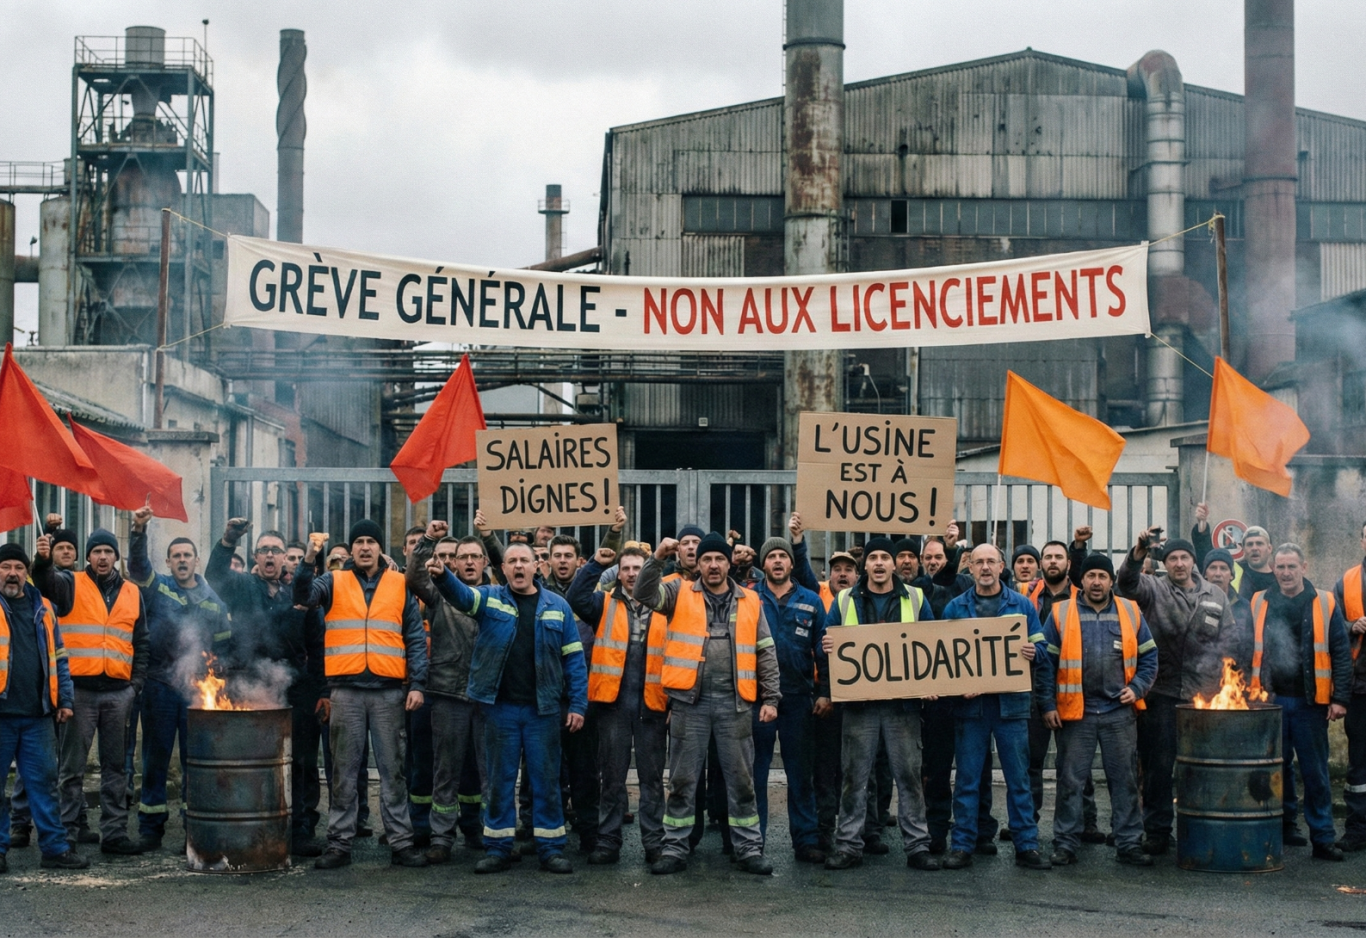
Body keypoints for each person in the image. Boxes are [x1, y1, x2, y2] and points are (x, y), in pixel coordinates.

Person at [430, 538, 587, 874]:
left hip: (543, 710)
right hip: (499, 709)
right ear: (502, 569)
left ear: (536, 567)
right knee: (500, 782)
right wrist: (443, 576)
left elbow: (574, 659)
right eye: (512, 562)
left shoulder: (558, 606)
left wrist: (578, 704)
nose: (518, 566)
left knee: (545, 781)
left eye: (524, 561)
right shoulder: (490, 599)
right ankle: (498, 848)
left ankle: (551, 849)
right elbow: (462, 597)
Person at [634, 532, 781, 875]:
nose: (713, 565)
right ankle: (675, 848)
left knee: (741, 781)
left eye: (719, 559)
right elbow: (643, 594)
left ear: (729, 563)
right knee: (682, 781)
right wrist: (656, 559)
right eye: (706, 559)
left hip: (735, 704)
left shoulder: (750, 600)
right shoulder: (677, 591)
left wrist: (772, 697)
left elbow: (765, 651)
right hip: (690, 704)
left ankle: (748, 848)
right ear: (697, 564)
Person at [294, 520, 430, 870]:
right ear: (351, 549)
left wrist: (417, 684)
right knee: (343, 773)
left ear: (380, 548)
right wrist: (309, 559)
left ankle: (401, 843)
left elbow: (415, 638)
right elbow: (302, 596)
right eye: (359, 542)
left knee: (393, 773)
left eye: (371, 541)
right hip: (346, 692)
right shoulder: (333, 580)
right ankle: (339, 844)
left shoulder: (400, 584)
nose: (365, 547)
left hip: (388, 693)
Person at [207, 519, 329, 856]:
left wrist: (323, 692)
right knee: (251, 760)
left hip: (296, 687)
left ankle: (300, 830)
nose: (270, 556)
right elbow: (214, 576)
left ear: (287, 558)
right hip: (249, 684)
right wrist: (228, 540)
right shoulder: (242, 586)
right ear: (255, 558)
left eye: (276, 551)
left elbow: (317, 645)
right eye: (264, 551)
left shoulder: (300, 593)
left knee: (300, 761)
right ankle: (252, 829)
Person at [820, 537, 940, 872]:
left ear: (893, 564)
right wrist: (826, 644)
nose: (878, 563)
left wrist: (932, 683)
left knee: (909, 777)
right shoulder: (844, 599)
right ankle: (848, 846)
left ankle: (917, 846)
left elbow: (933, 643)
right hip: (859, 706)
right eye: (873, 557)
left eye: (885, 557)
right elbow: (824, 644)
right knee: (853, 778)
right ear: (865, 565)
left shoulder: (915, 597)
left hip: (903, 707)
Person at [1117, 527, 1235, 855]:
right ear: (1164, 563)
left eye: (1184, 557)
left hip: (1204, 697)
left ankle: (1198, 827)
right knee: (1158, 767)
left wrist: (1226, 685)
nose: (1179, 563)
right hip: (1162, 694)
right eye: (1172, 559)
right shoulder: (1153, 588)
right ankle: (1157, 831)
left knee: (1199, 767)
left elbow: (1230, 640)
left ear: (1193, 561)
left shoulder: (1215, 595)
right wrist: (1138, 551)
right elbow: (1126, 583)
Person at [32, 529, 148, 855]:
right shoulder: (70, 583)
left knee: (116, 768)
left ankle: (114, 834)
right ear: (88, 557)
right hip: (79, 691)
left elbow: (142, 642)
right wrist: (42, 560)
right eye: (96, 552)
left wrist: (135, 686)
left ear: (116, 557)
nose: (102, 557)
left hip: (118, 693)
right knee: (72, 769)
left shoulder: (132, 592)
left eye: (108, 552)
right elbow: (44, 583)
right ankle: (66, 834)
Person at [1039, 553, 1157, 867]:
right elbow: (1045, 664)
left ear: (1111, 581)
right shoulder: (1061, 612)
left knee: (1124, 781)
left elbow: (1149, 656)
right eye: (1090, 575)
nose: (1096, 582)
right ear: (1082, 580)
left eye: (1102, 576)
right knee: (1070, 782)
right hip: (1077, 714)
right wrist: (1048, 705)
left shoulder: (1130, 611)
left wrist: (1137, 688)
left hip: (1118, 712)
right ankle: (1066, 843)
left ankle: (1129, 843)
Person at [940, 544, 1052, 871]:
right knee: (967, 779)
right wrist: (957, 686)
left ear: (1002, 566)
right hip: (971, 708)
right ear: (970, 567)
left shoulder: (1022, 605)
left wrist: (1033, 652)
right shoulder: (955, 607)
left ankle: (1026, 845)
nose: (986, 567)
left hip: (1011, 706)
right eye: (979, 562)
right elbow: (942, 657)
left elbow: (1043, 649)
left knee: (1018, 779)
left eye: (991, 561)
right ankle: (962, 845)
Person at [127, 504, 231, 849]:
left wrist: (220, 686)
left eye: (187, 555)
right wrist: (138, 531)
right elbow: (138, 567)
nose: (182, 560)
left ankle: (194, 824)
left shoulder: (214, 603)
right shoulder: (158, 588)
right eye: (176, 556)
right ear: (169, 562)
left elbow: (223, 650)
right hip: (159, 685)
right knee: (154, 758)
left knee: (195, 760)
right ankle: (150, 828)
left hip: (197, 691)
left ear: (197, 561)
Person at [567, 543, 668, 865]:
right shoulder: (604, 603)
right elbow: (575, 598)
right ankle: (608, 842)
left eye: (638, 568)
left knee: (652, 780)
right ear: (618, 574)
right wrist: (596, 564)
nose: (632, 574)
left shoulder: (666, 604)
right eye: (626, 569)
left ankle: (654, 843)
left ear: (649, 572)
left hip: (653, 705)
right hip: (613, 705)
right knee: (611, 778)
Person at [1248, 544, 1352, 861]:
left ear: (1303, 567)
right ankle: (1279, 829)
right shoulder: (1259, 601)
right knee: (1274, 770)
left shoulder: (1325, 601)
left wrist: (1339, 698)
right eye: (1280, 567)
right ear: (1273, 568)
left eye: (1292, 566)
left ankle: (1322, 838)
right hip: (1270, 702)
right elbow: (1246, 647)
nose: (1286, 572)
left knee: (1315, 774)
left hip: (1310, 704)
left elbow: (1341, 653)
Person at [0, 542, 87, 873]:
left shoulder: (45, 609)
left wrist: (64, 699)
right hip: (1, 716)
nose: (12, 573)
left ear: (27, 573)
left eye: (19, 568)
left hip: (38, 716)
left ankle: (54, 849)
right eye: (5, 567)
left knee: (45, 785)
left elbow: (60, 658)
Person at [406, 529, 489, 863]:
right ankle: (441, 838)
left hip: (486, 697)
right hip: (448, 694)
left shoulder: (498, 594)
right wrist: (426, 541)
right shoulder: (440, 592)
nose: (468, 562)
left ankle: (484, 832)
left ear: (484, 561)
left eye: (474, 556)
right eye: (462, 557)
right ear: (454, 562)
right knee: (445, 772)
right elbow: (414, 577)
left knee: (485, 772)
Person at [748, 536, 828, 863]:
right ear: (763, 564)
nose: (778, 561)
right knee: (755, 775)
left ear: (792, 564)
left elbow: (824, 650)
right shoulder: (749, 598)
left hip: (798, 698)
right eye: (772, 557)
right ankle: (752, 842)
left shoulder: (811, 600)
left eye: (783, 556)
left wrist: (825, 692)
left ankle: (806, 840)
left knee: (800, 774)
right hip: (756, 699)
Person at [1023, 537, 1103, 845]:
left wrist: (1079, 546)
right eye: (1048, 557)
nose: (1053, 561)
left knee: (1075, 763)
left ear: (1069, 564)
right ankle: (1026, 823)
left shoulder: (1082, 597)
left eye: (1059, 557)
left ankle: (1087, 822)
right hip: (1033, 690)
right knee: (1031, 761)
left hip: (1073, 690)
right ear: (1040, 563)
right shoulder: (1026, 596)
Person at [814, 549, 859, 852]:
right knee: (826, 767)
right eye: (837, 569)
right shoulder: (823, 602)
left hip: (860, 701)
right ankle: (825, 829)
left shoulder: (863, 601)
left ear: (857, 575)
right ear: (828, 574)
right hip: (829, 697)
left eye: (848, 569)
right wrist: (827, 692)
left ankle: (857, 830)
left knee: (856, 769)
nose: (842, 574)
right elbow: (822, 652)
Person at [1335, 526, 1366, 853]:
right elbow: (1332, 625)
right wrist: (1351, 625)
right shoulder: (1347, 581)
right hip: (1360, 690)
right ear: (1361, 541)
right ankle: (1358, 829)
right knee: (1359, 763)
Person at [1191, 503, 1276, 599]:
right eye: (1249, 544)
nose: (1254, 548)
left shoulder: (1280, 577)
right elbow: (1205, 556)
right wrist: (1202, 528)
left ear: (1269, 548)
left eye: (1259, 544)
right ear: (1243, 549)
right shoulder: (1231, 569)